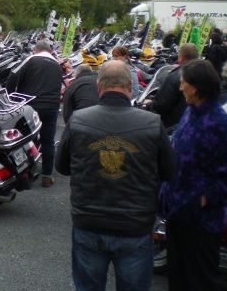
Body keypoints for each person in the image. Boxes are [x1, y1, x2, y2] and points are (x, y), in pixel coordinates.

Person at [56, 60, 175, 291]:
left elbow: (62, 167)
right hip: (135, 224)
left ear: (99, 87)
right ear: (130, 87)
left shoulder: (78, 120)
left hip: (89, 220)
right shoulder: (152, 122)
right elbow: (169, 171)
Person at [159, 59, 227, 290]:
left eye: (184, 83)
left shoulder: (218, 123)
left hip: (201, 222)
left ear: (197, 87)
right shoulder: (192, 112)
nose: (180, 88)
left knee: (201, 282)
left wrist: (206, 198)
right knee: (179, 279)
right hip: (178, 215)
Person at [6, 40, 62, 187]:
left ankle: (25, 173)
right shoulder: (57, 64)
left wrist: (10, 96)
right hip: (52, 107)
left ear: (36, 50)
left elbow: (13, 75)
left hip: (32, 105)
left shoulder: (31, 59)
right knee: (48, 140)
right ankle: (47, 176)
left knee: (25, 139)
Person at [147, 43, 198, 129]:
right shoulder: (203, 73)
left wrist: (149, 104)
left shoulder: (177, 75)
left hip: (170, 126)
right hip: (192, 124)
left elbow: (162, 106)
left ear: (181, 57)